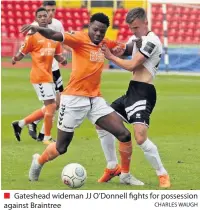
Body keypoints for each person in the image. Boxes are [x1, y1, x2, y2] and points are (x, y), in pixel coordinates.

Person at [20, 13, 144, 186]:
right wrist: (39, 29)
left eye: (102, 31)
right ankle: (38, 162)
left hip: (95, 100)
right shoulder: (79, 38)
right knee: (61, 147)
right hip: (73, 100)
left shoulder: (105, 43)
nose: (98, 34)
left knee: (124, 134)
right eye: (95, 30)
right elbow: (56, 35)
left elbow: (127, 49)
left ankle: (124, 174)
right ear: (89, 26)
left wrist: (143, 37)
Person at [99, 8, 171, 188]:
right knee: (101, 122)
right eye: (131, 28)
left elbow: (132, 65)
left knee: (140, 138)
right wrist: (115, 48)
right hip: (132, 91)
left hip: (144, 92)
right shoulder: (137, 39)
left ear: (145, 22)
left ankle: (162, 173)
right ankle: (113, 167)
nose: (133, 31)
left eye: (136, 27)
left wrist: (110, 56)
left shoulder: (152, 40)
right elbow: (126, 49)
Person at [11, 7, 67, 145]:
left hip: (48, 76)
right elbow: (21, 52)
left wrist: (63, 60)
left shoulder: (54, 36)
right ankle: (46, 137)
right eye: (40, 16)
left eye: (45, 16)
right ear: (36, 19)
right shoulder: (32, 36)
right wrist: (15, 58)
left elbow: (58, 55)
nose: (43, 18)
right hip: (38, 76)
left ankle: (21, 124)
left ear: (49, 18)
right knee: (52, 106)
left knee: (51, 106)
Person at [28, 0, 66, 142]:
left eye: (53, 11)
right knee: (52, 104)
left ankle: (35, 124)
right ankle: (43, 133)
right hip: (43, 72)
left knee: (58, 102)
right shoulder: (34, 27)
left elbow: (61, 43)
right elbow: (28, 45)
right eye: (47, 11)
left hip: (54, 69)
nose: (50, 14)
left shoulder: (57, 25)